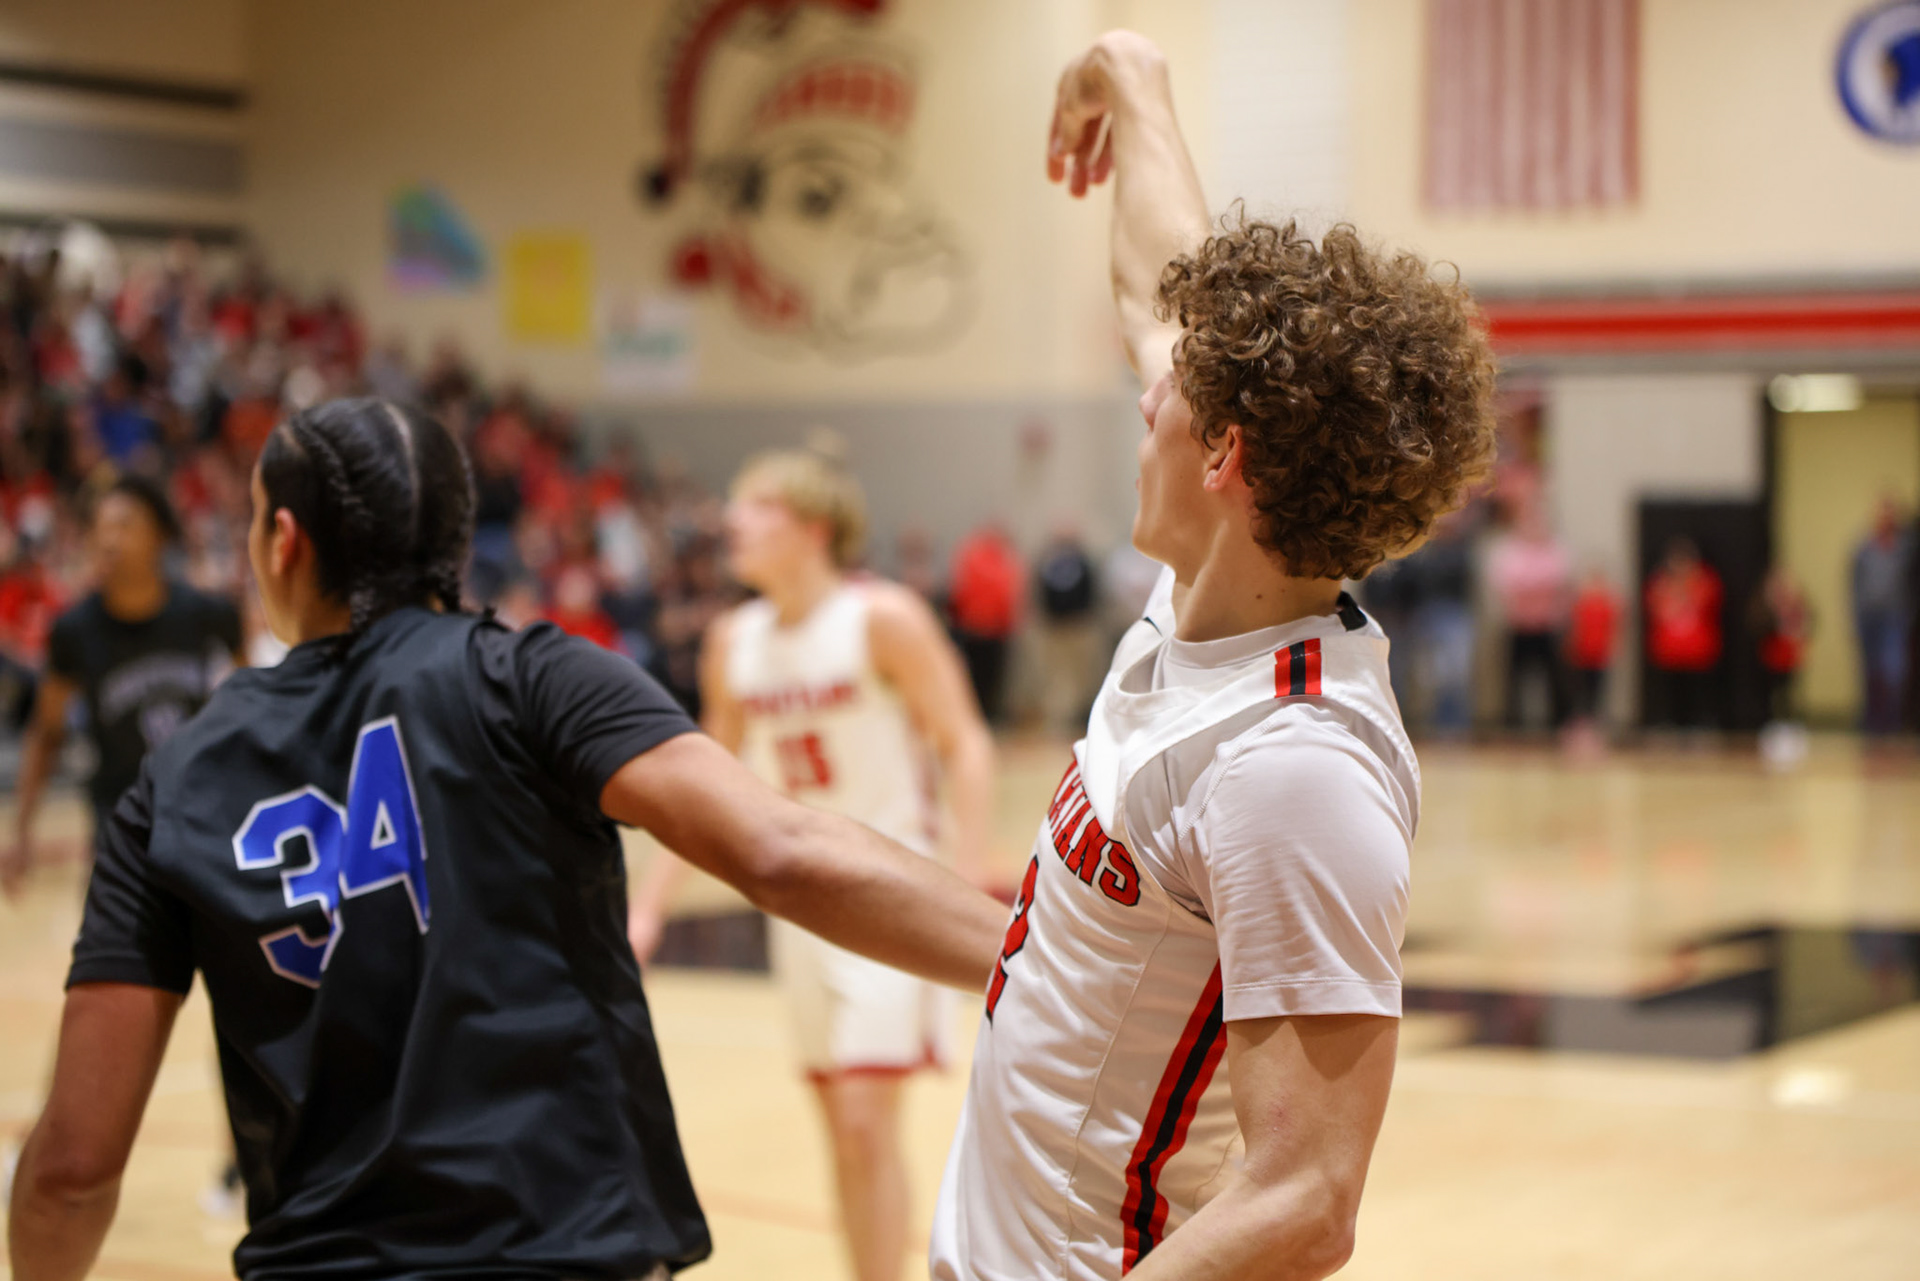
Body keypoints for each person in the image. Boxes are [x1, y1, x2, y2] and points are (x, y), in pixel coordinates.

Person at [7, 399, 1007, 1281]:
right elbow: (779, 849)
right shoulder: (540, 680)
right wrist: (1047, 959)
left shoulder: (177, 776)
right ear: (459, 536)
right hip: (570, 1244)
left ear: (281, 541)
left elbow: (71, 1168)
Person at [929, 31, 1496, 1281]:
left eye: (1164, 395)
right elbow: (1160, 282)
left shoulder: (1293, 767)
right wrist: (1133, 81)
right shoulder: (1209, 582)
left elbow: (1304, 1202)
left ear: (1226, 457)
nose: (1144, 390)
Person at [628, 447, 996, 1281]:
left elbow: (964, 741)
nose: (733, 523)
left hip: (895, 889)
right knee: (840, 1120)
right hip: (801, 906)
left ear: (812, 526)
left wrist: (967, 879)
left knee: (866, 1115)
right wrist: (648, 904)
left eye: (754, 508)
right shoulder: (734, 639)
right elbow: (704, 775)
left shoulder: (883, 616)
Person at [3, 474, 243, 898]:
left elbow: (251, 706)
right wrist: (21, 832)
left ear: (160, 535)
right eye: (101, 527)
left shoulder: (209, 613)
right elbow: (47, 732)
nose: (111, 539)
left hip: (202, 812)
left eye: (125, 524)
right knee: (112, 961)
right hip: (119, 821)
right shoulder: (74, 631)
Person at [1486, 505, 1571, 732]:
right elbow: (1506, 585)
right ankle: (1514, 727)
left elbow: (1559, 582)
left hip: (1548, 626)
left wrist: (1532, 589)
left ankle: (1557, 727)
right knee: (1515, 680)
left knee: (1555, 680)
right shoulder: (1509, 551)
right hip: (1519, 626)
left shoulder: (1555, 549)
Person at [946, 522, 1024, 724]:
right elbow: (963, 590)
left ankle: (990, 713)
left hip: (997, 630)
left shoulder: (1005, 560)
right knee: (975, 677)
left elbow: (1009, 595)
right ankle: (976, 714)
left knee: (993, 677)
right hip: (974, 628)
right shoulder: (976, 556)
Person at [1644, 537, 1724, 733]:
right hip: (1669, 649)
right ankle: (1670, 725)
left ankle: (1699, 725)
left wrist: (1685, 592)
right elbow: (1656, 608)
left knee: (1698, 692)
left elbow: (1709, 603)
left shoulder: (1704, 581)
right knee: (1670, 692)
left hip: (1698, 649)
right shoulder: (1661, 583)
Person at [1851, 496, 1912, 737]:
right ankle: (1871, 725)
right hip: (1868, 617)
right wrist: (1855, 620)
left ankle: (1892, 723)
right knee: (1869, 672)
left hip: (1895, 617)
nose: (1885, 518)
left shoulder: (1906, 548)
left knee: (1894, 671)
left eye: (1890, 513)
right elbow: (1854, 587)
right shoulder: (1862, 549)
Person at [1034, 523, 1100, 736]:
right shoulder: (1047, 563)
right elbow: (1040, 592)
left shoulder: (1083, 562)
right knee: (1055, 677)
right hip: (1055, 629)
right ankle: (1057, 721)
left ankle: (1080, 719)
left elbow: (1092, 591)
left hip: (1078, 627)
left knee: (1081, 676)